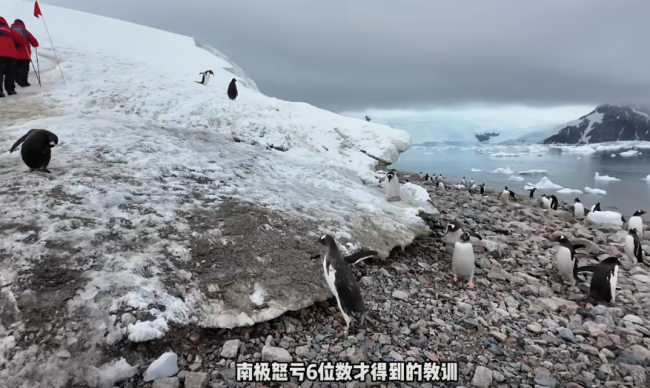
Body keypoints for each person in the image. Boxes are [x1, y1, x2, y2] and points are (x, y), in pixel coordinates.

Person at [0, 16, 27, 97]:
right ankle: (10, 90)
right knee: (10, 73)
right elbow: (23, 42)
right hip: (11, 55)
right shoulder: (10, 30)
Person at [11, 19, 39, 87]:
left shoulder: (9, 31)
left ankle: (16, 80)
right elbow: (35, 43)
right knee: (24, 69)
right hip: (25, 54)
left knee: (14, 68)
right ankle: (24, 82)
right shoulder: (25, 31)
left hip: (13, 54)